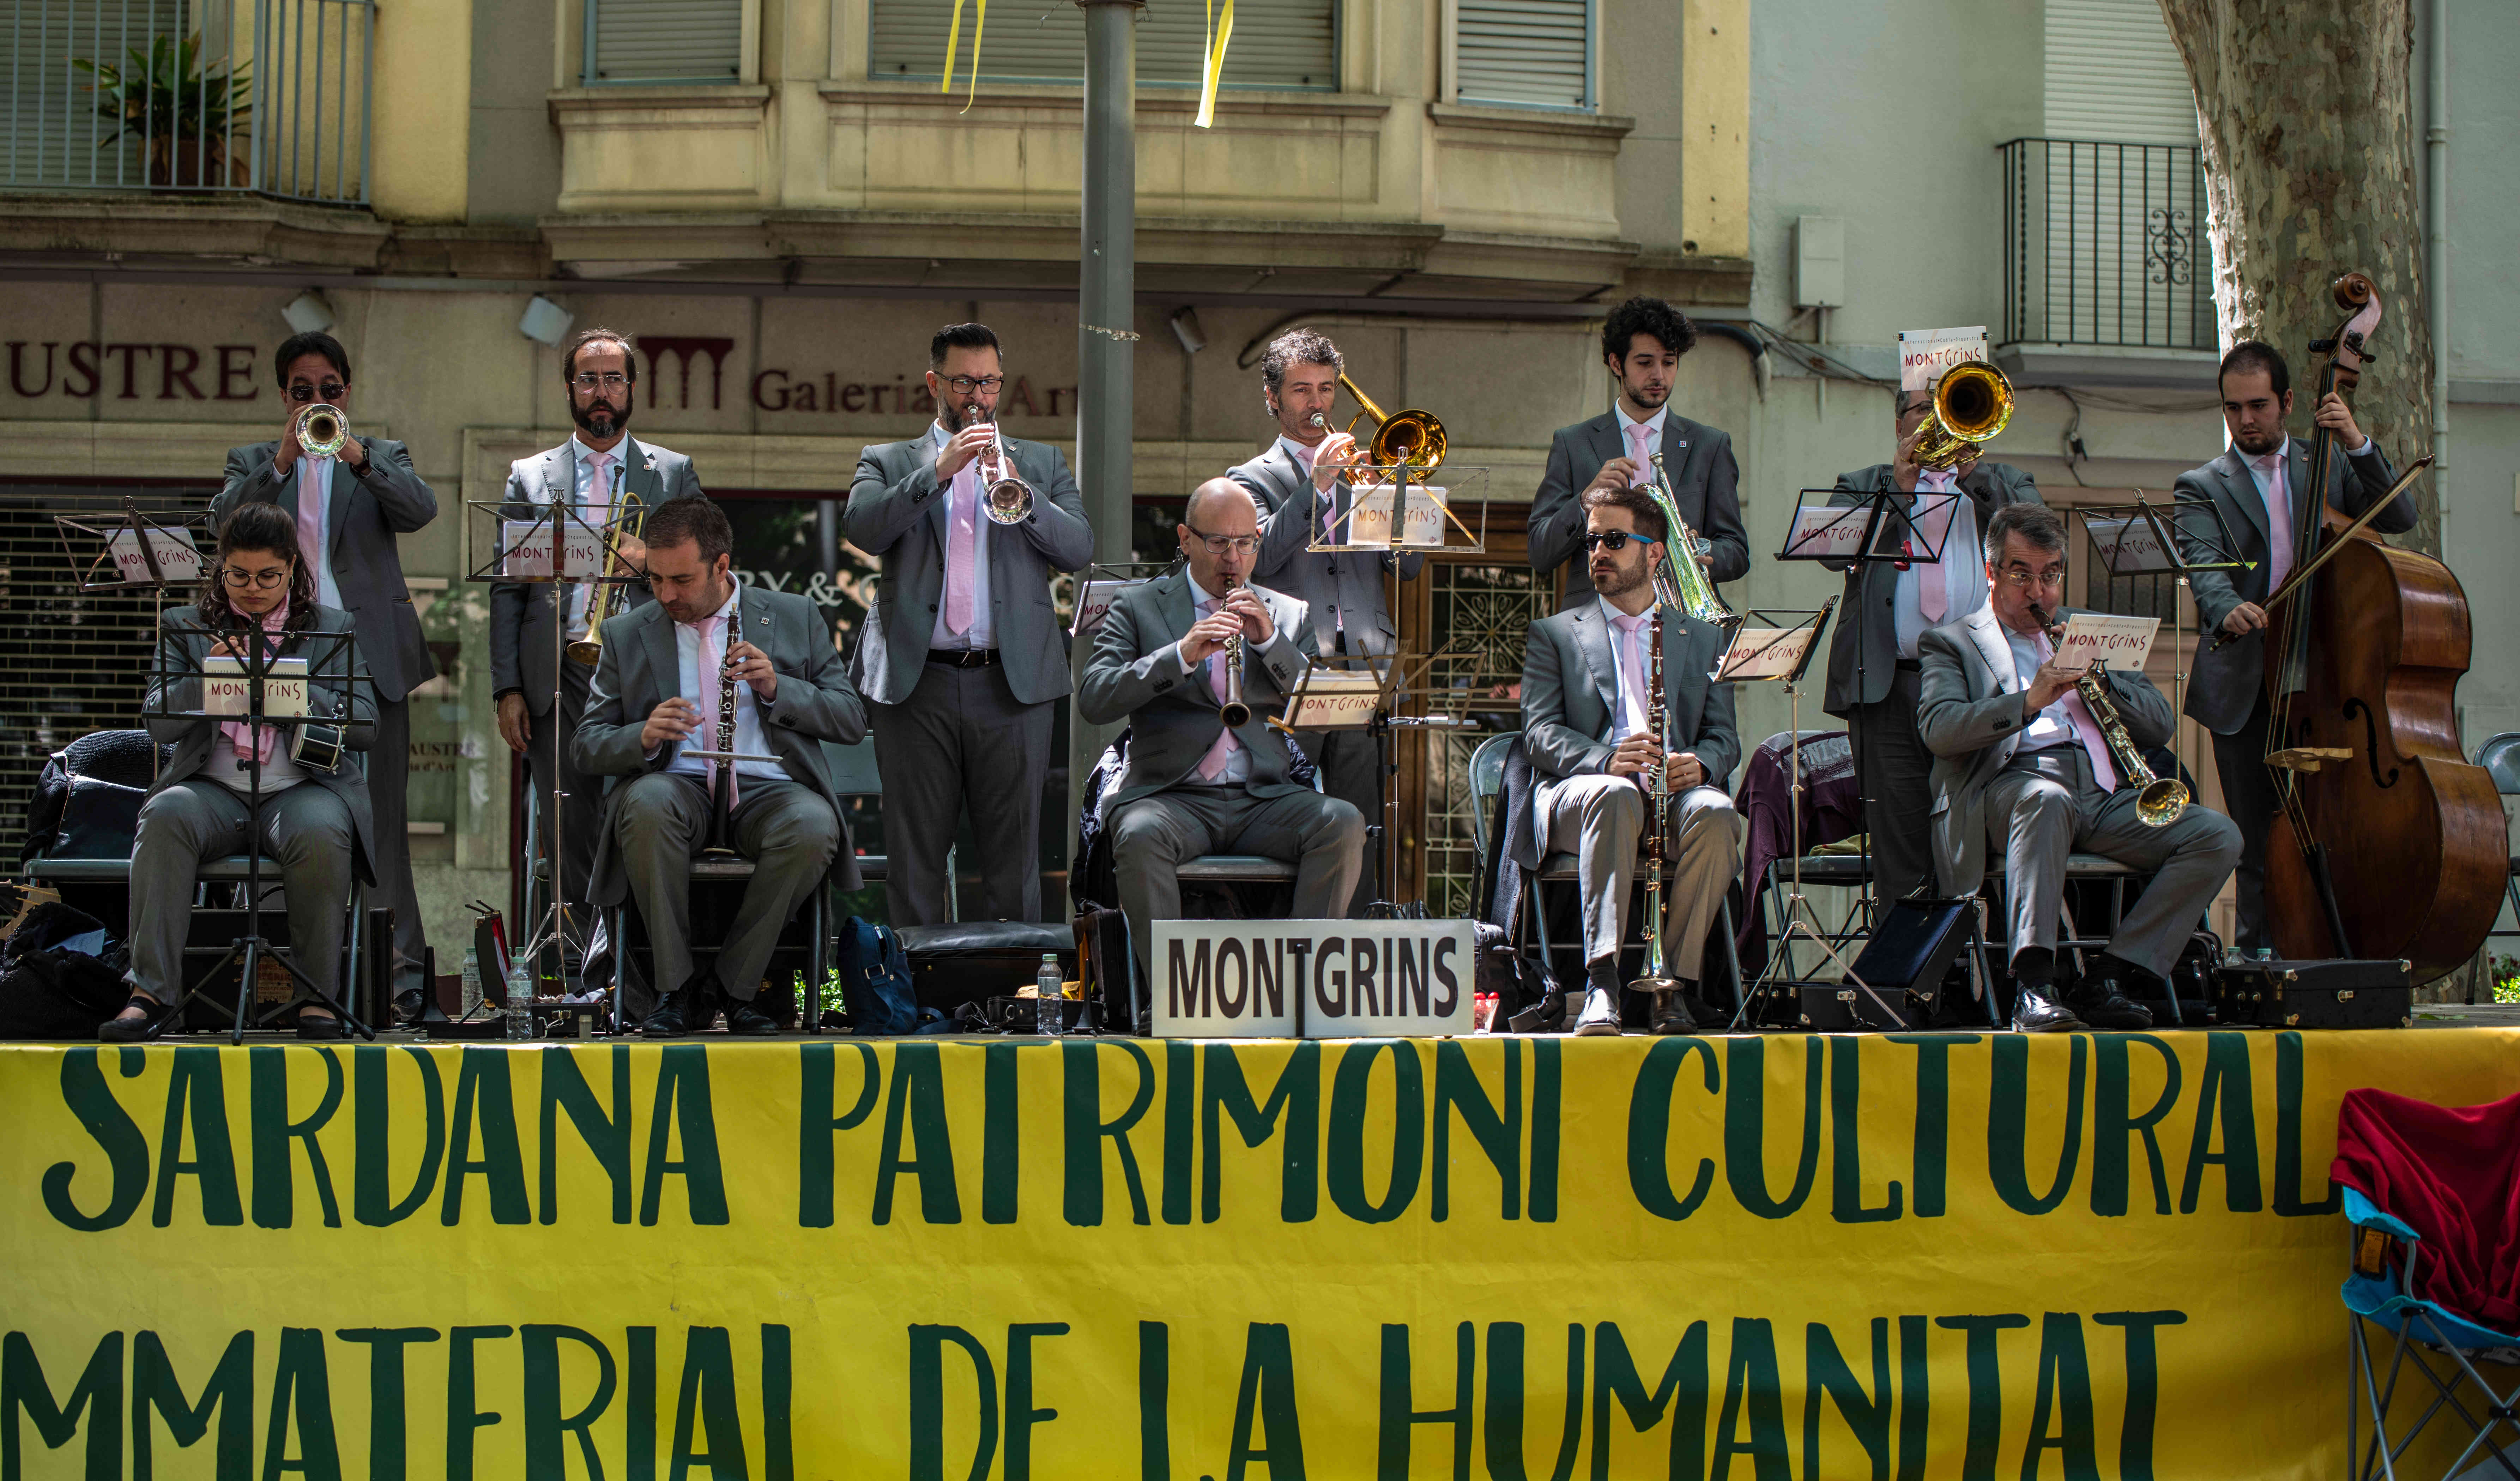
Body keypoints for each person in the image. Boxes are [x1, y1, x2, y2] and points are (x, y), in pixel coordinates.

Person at [1917, 503, 2243, 1033]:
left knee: (2217, 835)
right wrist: (2029, 701)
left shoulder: (2087, 630)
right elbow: (1939, 729)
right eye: (2021, 575)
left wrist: (2105, 680)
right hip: (2008, 787)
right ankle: (2033, 987)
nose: (2038, 592)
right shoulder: (1953, 641)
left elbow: (2159, 724)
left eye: (2050, 575)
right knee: (2045, 800)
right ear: (1991, 572)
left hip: (2102, 790)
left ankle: (2111, 975)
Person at [574, 496, 869, 1036]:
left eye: (681, 580)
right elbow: (586, 745)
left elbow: (850, 718)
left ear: (721, 566)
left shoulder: (793, 614)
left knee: (812, 824)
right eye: (655, 579)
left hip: (767, 789)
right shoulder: (626, 632)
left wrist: (778, 687)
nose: (666, 595)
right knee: (646, 804)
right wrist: (642, 736)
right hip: (676, 785)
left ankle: (735, 986)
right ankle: (673, 989)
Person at [213, 330, 436, 1003]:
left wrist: (355, 454)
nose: (317, 401)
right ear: (284, 395)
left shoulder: (381, 454)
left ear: (348, 391)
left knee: (383, 824)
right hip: (283, 656)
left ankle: (397, 983)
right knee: (289, 807)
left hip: (368, 658)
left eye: (330, 391)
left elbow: (420, 510)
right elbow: (223, 525)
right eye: (303, 392)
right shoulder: (254, 461)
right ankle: (290, 981)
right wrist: (283, 462)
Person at [846, 323, 1093, 926]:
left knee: (1013, 858)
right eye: (963, 382)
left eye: (989, 382)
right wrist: (936, 472)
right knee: (916, 859)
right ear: (934, 383)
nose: (977, 396)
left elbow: (1078, 548)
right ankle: (915, 983)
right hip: (917, 684)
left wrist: (1018, 488)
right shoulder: (887, 460)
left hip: (1011, 684)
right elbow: (864, 528)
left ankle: (1013, 981)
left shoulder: (1040, 462)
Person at [102, 504, 377, 1042]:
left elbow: (366, 725)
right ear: (220, 567)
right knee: (164, 814)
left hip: (300, 786)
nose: (253, 589)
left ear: (292, 568)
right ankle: (149, 992)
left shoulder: (330, 627)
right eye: (239, 575)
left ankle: (316, 998)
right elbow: (158, 722)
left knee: (322, 830)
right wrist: (211, 674)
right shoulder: (185, 625)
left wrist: (290, 690)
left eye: (268, 576)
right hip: (210, 788)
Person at [1078, 479, 1367, 987]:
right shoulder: (1138, 605)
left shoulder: (1289, 613)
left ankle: (1300, 993)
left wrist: (1270, 643)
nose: (1232, 558)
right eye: (1217, 542)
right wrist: (1180, 655)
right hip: (1171, 797)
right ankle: (1171, 1000)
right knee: (1138, 833)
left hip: (1264, 799)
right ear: (1185, 538)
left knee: (1342, 823)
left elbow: (1319, 714)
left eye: (1245, 543)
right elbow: (1095, 697)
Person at [2173, 340, 2410, 956]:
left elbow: (2399, 516)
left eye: (2257, 405)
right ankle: (2258, 960)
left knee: (2342, 828)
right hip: (2247, 677)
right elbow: (2204, 567)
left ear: (2286, 401)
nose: (2245, 420)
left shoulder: (2326, 461)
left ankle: (2344, 956)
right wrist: (2226, 607)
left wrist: (2354, 441)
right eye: (2232, 408)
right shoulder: (2201, 485)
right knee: (2257, 839)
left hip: (2330, 673)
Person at [490, 328, 703, 1001]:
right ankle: (589, 983)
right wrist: (507, 687)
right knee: (570, 832)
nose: (601, 391)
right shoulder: (529, 476)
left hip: (644, 674)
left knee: (643, 824)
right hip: (558, 671)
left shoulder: (672, 473)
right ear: (569, 389)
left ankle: (650, 984)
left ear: (632, 388)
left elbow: (703, 576)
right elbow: (507, 590)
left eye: (613, 378)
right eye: (589, 379)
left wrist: (648, 559)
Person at [1516, 483, 1743, 1035]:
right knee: (1615, 794)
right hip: (1583, 793)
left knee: (1717, 812)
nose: (1597, 551)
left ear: (1654, 552)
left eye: (1613, 540)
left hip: (1671, 795)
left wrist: (1701, 766)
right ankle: (1602, 983)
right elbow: (1538, 734)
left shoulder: (1702, 637)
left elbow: (1723, 737)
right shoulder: (1554, 633)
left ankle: (1672, 985)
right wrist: (1604, 759)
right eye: (1592, 541)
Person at [1821, 381, 2044, 905]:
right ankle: (1906, 958)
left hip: (1978, 689)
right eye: (1925, 408)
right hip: (1889, 687)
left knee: (1971, 844)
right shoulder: (1863, 484)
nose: (1937, 422)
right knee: (1900, 854)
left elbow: (2041, 545)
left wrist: (1974, 477)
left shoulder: (2004, 482)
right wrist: (1898, 491)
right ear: (1899, 423)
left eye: (1948, 408)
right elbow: (1830, 553)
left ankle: (1974, 955)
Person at [1230, 328, 1424, 915]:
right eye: (1300, 390)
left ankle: (1357, 940)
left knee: (1362, 819)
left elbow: (1408, 566)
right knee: (1282, 815)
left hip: (1364, 665)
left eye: (1325, 388)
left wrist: (1394, 492)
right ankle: (1279, 938)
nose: (1316, 403)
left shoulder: (1363, 473)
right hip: (1290, 668)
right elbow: (1258, 556)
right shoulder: (1248, 480)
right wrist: (1316, 485)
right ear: (1272, 398)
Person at [1528, 296, 1747, 610]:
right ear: (1617, 364)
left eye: (1668, 363)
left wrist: (1701, 551)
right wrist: (1585, 500)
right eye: (1645, 363)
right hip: (1595, 618)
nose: (1659, 376)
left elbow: (1736, 551)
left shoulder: (1710, 445)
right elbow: (1539, 552)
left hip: (1683, 620)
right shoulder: (1573, 443)